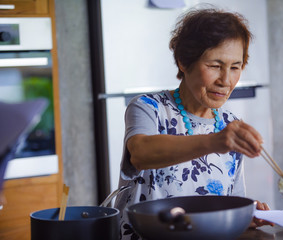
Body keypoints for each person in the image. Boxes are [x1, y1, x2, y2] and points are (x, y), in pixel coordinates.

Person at [115, 7, 273, 239]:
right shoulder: (149, 108)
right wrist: (215, 141)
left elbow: (231, 202)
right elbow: (141, 153)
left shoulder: (231, 124)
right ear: (183, 62)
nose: (226, 81)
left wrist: (244, 217)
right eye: (215, 66)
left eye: (235, 67)